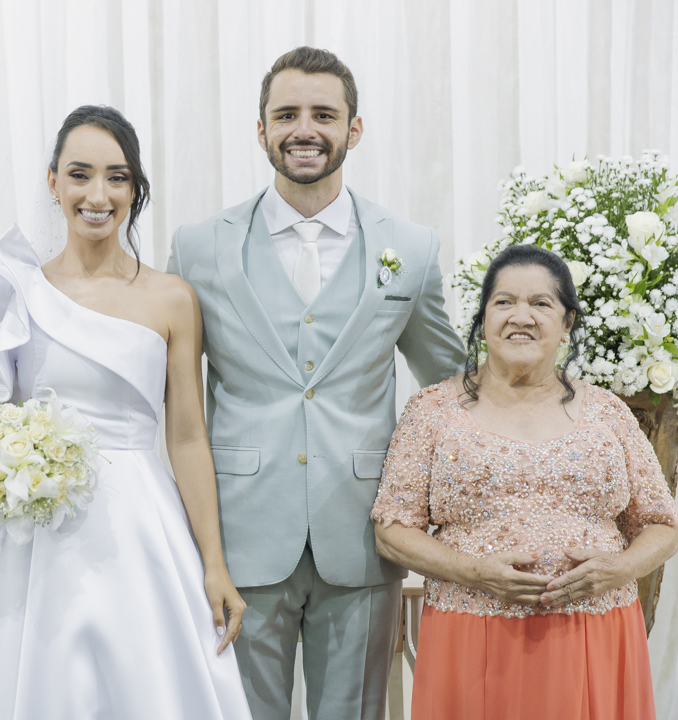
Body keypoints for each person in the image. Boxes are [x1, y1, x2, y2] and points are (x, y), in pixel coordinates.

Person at [0, 105, 253, 720]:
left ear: (135, 190)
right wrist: (3, 453)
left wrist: (215, 564)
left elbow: (189, 437)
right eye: (80, 175)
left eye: (117, 178)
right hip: (37, 528)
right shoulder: (14, 287)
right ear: (53, 183)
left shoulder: (172, 298)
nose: (99, 195)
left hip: (141, 526)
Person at [167, 47, 465, 720]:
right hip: (238, 538)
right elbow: (172, 400)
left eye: (324, 114)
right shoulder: (197, 247)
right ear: (261, 128)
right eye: (288, 114)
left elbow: (449, 386)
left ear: (354, 129)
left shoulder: (409, 249)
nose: (306, 129)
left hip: (360, 537)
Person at [371, 243, 678, 719]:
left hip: (597, 630)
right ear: (483, 319)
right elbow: (392, 531)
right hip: (469, 632)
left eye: (541, 303)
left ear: (567, 322)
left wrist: (619, 569)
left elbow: (662, 525)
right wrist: (472, 571)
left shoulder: (609, 413)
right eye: (504, 302)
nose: (522, 316)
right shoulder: (432, 411)